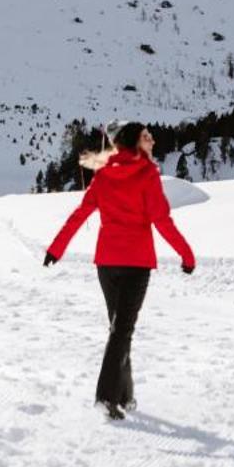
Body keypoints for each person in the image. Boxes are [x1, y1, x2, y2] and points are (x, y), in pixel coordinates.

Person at [44, 122, 196, 420]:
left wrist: (56, 248)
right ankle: (106, 396)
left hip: (107, 263)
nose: (152, 140)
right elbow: (162, 221)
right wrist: (186, 255)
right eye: (146, 137)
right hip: (136, 265)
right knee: (121, 330)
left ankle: (125, 397)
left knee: (119, 329)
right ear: (135, 144)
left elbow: (80, 214)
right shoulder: (147, 175)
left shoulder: (104, 174)